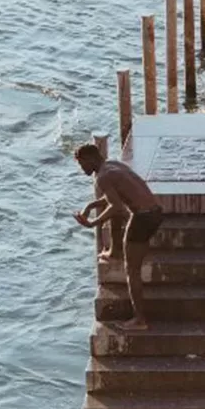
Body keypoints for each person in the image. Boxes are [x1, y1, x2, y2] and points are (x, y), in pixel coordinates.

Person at [72, 141, 164, 330]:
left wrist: (92, 223)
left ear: (90, 159)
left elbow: (117, 206)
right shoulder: (113, 166)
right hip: (156, 212)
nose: (82, 170)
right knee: (133, 256)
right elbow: (115, 195)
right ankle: (114, 251)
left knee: (132, 271)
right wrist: (90, 206)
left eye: (82, 165)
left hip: (142, 218)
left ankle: (139, 320)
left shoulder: (102, 177)